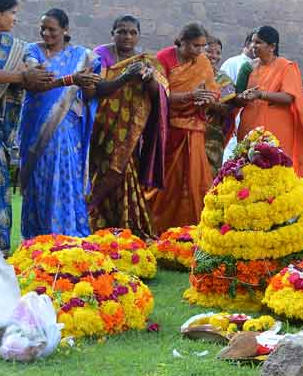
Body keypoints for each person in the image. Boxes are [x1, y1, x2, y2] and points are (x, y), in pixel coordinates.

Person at [0, 0, 54, 252]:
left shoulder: (15, 47)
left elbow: (31, 68)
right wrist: (20, 78)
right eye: (12, 13)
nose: (15, 18)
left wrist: (36, 73)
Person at [18, 9, 101, 238]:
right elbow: (35, 84)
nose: (46, 33)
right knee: (39, 178)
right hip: (36, 125)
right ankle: (37, 238)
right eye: (43, 28)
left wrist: (86, 84)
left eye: (52, 29)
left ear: (65, 30)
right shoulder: (32, 52)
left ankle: (67, 236)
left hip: (67, 127)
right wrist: (71, 79)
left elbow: (91, 93)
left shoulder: (83, 56)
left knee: (65, 174)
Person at [90, 15, 168, 239]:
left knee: (123, 172)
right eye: (122, 31)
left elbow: (160, 95)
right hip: (101, 129)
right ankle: (92, 219)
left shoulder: (146, 62)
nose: (127, 36)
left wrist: (148, 79)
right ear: (112, 33)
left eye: (133, 32)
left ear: (138, 36)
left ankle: (125, 225)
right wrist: (125, 77)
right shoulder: (100, 55)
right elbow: (98, 88)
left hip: (129, 134)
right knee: (98, 172)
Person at [147, 23, 220, 231]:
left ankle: (194, 227)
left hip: (194, 128)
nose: (199, 51)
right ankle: (158, 226)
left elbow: (213, 91)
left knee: (196, 180)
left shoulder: (202, 62)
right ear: (182, 42)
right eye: (195, 46)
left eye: (202, 46)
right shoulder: (163, 59)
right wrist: (190, 96)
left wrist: (206, 99)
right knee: (168, 180)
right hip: (166, 129)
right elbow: (159, 95)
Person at [236, 25, 303, 201]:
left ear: (272, 46)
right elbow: (239, 96)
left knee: (275, 170)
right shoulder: (249, 67)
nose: (253, 46)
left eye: (258, 42)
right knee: (249, 170)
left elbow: (290, 97)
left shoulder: (286, 66)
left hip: (277, 130)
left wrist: (261, 95)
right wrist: (244, 98)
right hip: (250, 127)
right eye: (252, 42)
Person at [205, 35, 236, 173]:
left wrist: (212, 105)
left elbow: (230, 108)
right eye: (209, 51)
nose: (214, 56)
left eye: (218, 53)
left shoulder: (223, 79)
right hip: (186, 132)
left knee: (208, 174)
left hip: (212, 137)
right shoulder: (189, 73)